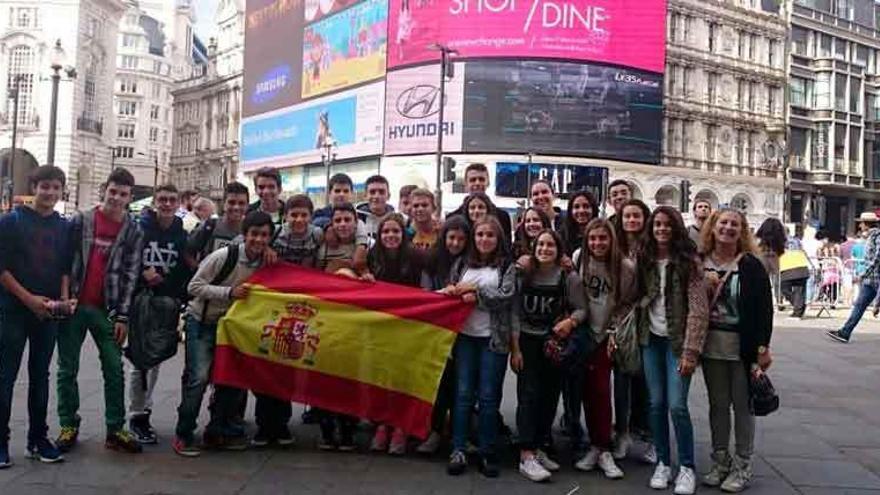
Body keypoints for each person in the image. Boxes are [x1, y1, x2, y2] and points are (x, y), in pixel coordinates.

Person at [173, 211, 275, 457]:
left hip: (234, 329)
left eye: (264, 235)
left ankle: (217, 431)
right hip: (203, 322)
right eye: (254, 234)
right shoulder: (223, 256)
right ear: (244, 235)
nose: (258, 240)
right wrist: (229, 293)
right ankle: (183, 434)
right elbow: (193, 287)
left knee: (231, 380)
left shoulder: (267, 262)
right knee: (197, 379)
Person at [57, 168, 144, 454]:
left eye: (123, 194)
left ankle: (115, 428)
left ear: (130, 197)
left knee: (114, 368)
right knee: (67, 368)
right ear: (104, 190)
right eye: (113, 192)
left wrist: (123, 316)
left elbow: (131, 275)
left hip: (107, 309)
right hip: (75, 306)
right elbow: (65, 261)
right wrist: (65, 298)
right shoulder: (82, 220)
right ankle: (68, 424)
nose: (117, 198)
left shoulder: (133, 229)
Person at [0, 166, 71, 467]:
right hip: (13, 309)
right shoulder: (11, 222)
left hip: (48, 313)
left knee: (40, 377)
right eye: (45, 187)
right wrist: (28, 299)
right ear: (34, 187)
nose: (50, 193)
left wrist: (64, 300)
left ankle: (38, 438)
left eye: (56, 188)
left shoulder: (64, 226)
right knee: (5, 377)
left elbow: (66, 267)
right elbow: (1, 269)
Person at [700, 208, 774, 492]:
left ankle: (742, 466)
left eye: (734, 224)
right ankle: (720, 462)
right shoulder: (700, 261)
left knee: (743, 407)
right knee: (717, 406)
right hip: (710, 346)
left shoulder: (751, 265)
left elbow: (764, 310)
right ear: (712, 227)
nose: (728, 228)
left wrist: (762, 348)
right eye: (723, 223)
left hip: (741, 347)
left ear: (741, 231)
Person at [637, 207, 708, 494]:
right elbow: (633, 294)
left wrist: (691, 351)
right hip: (651, 340)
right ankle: (664, 462)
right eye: (657, 225)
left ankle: (687, 467)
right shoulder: (645, 258)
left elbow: (698, 308)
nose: (661, 229)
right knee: (655, 404)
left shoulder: (687, 262)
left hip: (678, 342)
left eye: (667, 225)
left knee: (677, 405)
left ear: (676, 228)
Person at [445, 216, 515, 478]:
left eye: (490, 235)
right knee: (462, 395)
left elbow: (506, 296)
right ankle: (459, 448)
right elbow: (453, 291)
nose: (484, 239)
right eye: (480, 235)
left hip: (492, 339)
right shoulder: (461, 263)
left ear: (498, 239)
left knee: (488, 397)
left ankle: (487, 450)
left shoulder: (507, 266)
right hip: (464, 337)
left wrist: (475, 294)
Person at [568, 219, 632, 480]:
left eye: (602, 238)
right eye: (592, 238)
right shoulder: (579, 257)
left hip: (607, 335)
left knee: (602, 391)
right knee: (584, 391)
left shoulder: (625, 267)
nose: (597, 243)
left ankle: (603, 448)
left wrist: (613, 332)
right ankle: (595, 445)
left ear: (612, 239)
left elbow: (626, 303)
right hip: (582, 332)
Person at [128, 185, 190, 445]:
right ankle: (137, 416)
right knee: (139, 360)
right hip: (140, 301)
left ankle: (145, 410)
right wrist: (143, 271)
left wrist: (179, 298)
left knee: (155, 358)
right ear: (155, 202)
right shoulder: (140, 228)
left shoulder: (181, 234)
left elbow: (184, 267)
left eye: (171, 200)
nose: (166, 204)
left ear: (177, 204)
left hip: (166, 304)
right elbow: (126, 257)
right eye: (162, 199)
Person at [510, 229, 568, 482]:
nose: (545, 249)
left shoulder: (566, 276)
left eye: (550, 245)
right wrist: (515, 348)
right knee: (528, 394)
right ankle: (526, 453)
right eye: (540, 244)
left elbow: (580, 308)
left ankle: (539, 446)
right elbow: (512, 311)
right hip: (526, 339)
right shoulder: (523, 274)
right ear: (533, 248)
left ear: (558, 250)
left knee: (549, 394)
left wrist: (571, 322)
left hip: (552, 341)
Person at [367, 214, 425, 455]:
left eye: (395, 232)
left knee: (403, 378)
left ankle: (401, 426)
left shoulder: (415, 257)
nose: (390, 236)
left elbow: (425, 289)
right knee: (381, 378)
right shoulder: (373, 257)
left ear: (403, 234)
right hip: (380, 327)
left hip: (408, 328)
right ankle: (382, 424)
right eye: (386, 232)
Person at [417, 216, 471, 454]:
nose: (456, 243)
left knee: (465, 387)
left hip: (467, 332)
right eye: (451, 237)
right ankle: (436, 432)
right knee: (440, 385)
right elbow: (425, 293)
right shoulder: (431, 261)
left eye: (461, 238)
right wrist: (444, 294)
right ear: (444, 237)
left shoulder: (473, 262)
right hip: (437, 332)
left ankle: (462, 435)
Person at [612, 198, 655, 463]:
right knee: (621, 380)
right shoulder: (615, 247)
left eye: (636, 216)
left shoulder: (651, 249)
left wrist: (641, 306)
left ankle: (651, 437)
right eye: (627, 216)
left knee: (648, 381)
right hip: (619, 321)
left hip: (646, 319)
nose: (631, 220)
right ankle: (622, 433)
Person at [828, 212, 880, 342]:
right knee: (859, 305)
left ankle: (845, 332)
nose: (860, 226)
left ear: (866, 224)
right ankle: (845, 332)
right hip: (870, 279)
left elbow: (876, 258)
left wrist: (863, 274)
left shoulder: (876, 236)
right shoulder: (870, 237)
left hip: (874, 277)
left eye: (861, 223)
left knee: (860, 305)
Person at [185, 182, 250, 265]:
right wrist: (199, 271)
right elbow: (187, 251)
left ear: (247, 206)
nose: (236, 207)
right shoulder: (209, 226)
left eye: (241, 203)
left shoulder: (251, 230)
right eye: (231, 202)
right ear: (224, 204)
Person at [448, 163, 512, 238]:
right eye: (473, 180)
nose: (477, 183)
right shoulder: (451, 218)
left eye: (481, 179)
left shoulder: (503, 218)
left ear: (488, 183)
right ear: (466, 184)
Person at [755, 218, 786, 307]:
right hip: (768, 273)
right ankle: (779, 299)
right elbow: (775, 270)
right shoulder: (777, 246)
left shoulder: (757, 243)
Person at [356, 175, 394, 244]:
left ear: (388, 196)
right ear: (365, 195)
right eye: (372, 192)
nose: (376, 196)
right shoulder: (355, 219)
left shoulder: (399, 220)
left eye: (381, 192)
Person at [561, 190, 599, 257]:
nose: (581, 211)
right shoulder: (561, 236)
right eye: (576, 207)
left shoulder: (602, 234)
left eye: (586, 206)